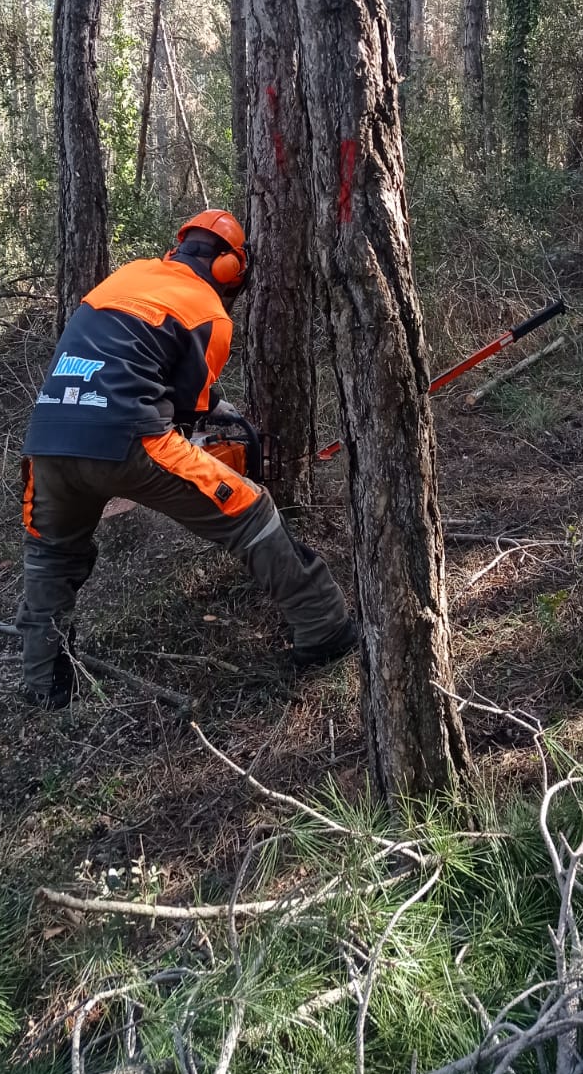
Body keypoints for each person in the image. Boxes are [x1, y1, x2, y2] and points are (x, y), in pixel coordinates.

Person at [18, 210, 357, 708]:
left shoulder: (128, 276)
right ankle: (323, 626)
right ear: (228, 269)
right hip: (128, 438)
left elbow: (137, 363)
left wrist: (219, 409)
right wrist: (215, 416)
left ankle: (43, 686)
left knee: (51, 556)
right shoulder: (209, 312)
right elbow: (186, 407)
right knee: (251, 512)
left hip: (46, 440)